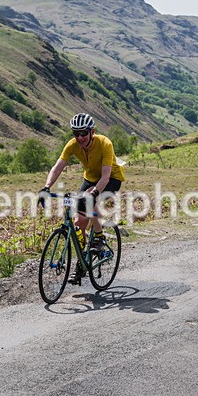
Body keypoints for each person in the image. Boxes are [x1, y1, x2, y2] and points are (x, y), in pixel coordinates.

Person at [40, 113, 125, 282]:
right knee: (78, 223)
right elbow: (57, 168)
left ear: (92, 131)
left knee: (88, 199)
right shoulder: (72, 145)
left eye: (83, 133)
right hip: (90, 178)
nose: (79, 137)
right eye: (76, 133)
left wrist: (94, 194)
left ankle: (99, 237)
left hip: (111, 179)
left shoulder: (105, 143)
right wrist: (46, 187)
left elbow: (105, 176)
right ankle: (81, 265)